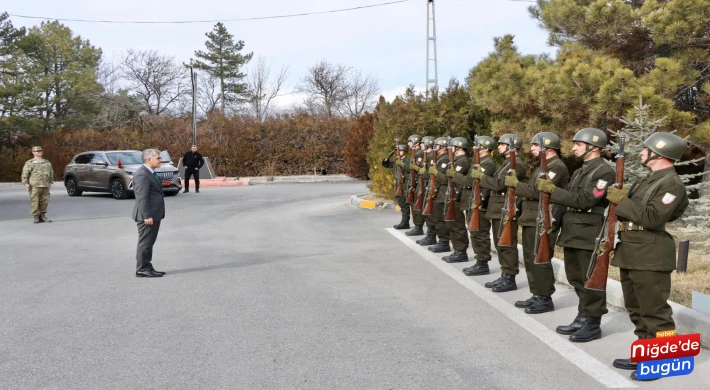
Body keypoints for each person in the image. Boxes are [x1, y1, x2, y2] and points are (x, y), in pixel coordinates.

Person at [607, 132, 689, 382]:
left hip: (650, 255)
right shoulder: (650, 179)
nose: (642, 153)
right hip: (632, 251)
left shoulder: (671, 183)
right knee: (636, 308)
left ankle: (661, 358)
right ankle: (646, 351)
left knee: (655, 312)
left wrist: (623, 202)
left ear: (660, 153)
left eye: (646, 149)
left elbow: (654, 218)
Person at [537, 128, 615, 342]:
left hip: (587, 229)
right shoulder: (583, 169)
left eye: (578, 144)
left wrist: (552, 190)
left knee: (589, 278)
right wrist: (555, 220)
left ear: (594, 147)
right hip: (573, 228)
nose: (573, 148)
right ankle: (583, 315)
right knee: (575, 277)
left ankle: (592, 322)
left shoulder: (603, 171)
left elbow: (585, 200)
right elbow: (568, 199)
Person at [507, 132, 570, 314]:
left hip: (544, 218)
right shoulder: (544, 165)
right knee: (530, 258)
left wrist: (516, 185)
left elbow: (537, 191)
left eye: (535, 145)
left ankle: (545, 298)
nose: (532, 149)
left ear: (547, 148)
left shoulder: (557, 166)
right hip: (532, 217)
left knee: (540, 258)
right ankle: (536, 293)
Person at [471, 134, 526, 292]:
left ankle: (510, 277)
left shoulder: (517, 165)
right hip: (497, 208)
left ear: (512, 147)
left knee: (507, 244)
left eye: (503, 144)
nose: (499, 146)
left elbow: (500, 185)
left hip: (505, 208)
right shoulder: (506, 163)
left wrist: (481, 177)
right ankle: (505, 274)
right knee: (500, 243)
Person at [462, 136, 498, 276]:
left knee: (480, 234)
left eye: (478, 146)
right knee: (474, 233)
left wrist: (454, 176)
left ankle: (483, 263)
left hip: (481, 203)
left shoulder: (488, 163)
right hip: (474, 201)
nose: (474, 148)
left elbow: (472, 180)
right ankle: (479, 261)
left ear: (485, 148)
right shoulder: (479, 161)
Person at [133, 149, 167, 278]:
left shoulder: (150, 173)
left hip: (153, 214)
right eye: (158, 158)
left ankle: (147, 265)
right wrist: (147, 215)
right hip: (147, 216)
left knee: (149, 242)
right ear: (149, 159)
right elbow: (141, 197)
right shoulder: (142, 174)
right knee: (145, 242)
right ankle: (142, 268)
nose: (160, 160)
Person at [443, 137, 472, 263]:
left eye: (453, 147)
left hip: (458, 195)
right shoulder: (456, 161)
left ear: (459, 148)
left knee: (457, 225)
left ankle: (461, 251)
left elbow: (454, 176)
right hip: (453, 194)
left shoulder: (463, 161)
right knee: (452, 224)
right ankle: (457, 250)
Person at [426, 137, 452, 253]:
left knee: (441, 219)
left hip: (442, 192)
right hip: (437, 191)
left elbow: (446, 178)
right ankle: (440, 240)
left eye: (437, 145)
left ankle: (444, 242)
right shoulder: (440, 158)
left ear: (442, 147)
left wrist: (435, 173)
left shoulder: (445, 159)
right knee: (437, 218)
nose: (434, 147)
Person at [415, 137, 439, 246]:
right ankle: (430, 235)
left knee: (430, 213)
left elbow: (430, 173)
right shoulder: (427, 155)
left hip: (430, 185)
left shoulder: (432, 156)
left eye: (423, 143)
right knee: (427, 211)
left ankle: (432, 235)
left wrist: (420, 170)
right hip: (426, 185)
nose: (420, 145)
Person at [21, 146, 54, 224]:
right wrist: (26, 183)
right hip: (35, 185)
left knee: (44, 201)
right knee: (35, 201)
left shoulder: (47, 162)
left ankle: (43, 216)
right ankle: (36, 216)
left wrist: (51, 182)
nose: (39, 152)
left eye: (40, 151)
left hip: (45, 185)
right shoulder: (30, 162)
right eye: (37, 151)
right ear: (33, 152)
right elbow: (25, 173)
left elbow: (51, 172)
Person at [382, 143, 411, 229]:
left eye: (400, 151)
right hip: (397, 185)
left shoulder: (406, 162)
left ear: (405, 152)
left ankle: (405, 222)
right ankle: (404, 221)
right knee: (401, 203)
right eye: (397, 151)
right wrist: (387, 157)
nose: (398, 152)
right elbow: (386, 164)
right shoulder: (396, 162)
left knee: (404, 204)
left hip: (404, 185)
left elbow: (409, 170)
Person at [405, 134, 426, 236]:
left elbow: (417, 168)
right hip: (414, 181)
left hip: (419, 181)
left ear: (416, 143)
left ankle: (418, 226)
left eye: (410, 141)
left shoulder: (420, 154)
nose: (408, 143)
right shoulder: (416, 153)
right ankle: (417, 226)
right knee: (413, 204)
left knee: (417, 205)